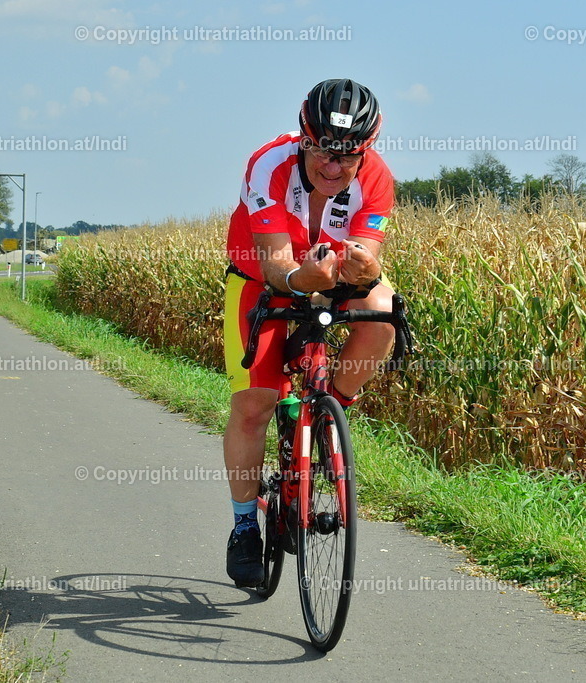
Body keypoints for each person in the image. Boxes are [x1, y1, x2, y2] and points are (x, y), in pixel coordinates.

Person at [223, 78, 396, 586]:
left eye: (348, 157)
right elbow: (276, 263)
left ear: (366, 150)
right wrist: (301, 279)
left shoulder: (379, 179)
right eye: (322, 150)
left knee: (383, 312)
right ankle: (243, 526)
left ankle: (332, 409)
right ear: (304, 136)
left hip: (332, 275)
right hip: (263, 278)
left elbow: (368, 257)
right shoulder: (267, 165)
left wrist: (364, 270)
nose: (332, 166)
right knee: (254, 405)